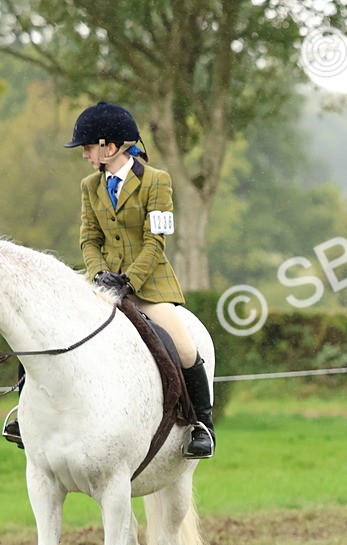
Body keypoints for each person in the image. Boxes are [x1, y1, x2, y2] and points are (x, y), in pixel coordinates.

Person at [4, 101, 215, 458]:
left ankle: (201, 426)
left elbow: (155, 241)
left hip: (148, 286)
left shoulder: (156, 181)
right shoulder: (90, 186)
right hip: (101, 286)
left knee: (183, 346)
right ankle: (26, 415)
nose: (85, 155)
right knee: (45, 331)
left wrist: (128, 281)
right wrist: (99, 274)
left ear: (110, 146)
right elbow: (89, 238)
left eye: (88, 148)